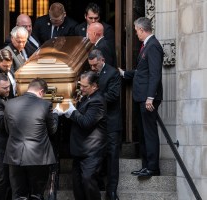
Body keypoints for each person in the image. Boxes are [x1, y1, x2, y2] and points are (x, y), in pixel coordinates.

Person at [118, 17, 163, 177]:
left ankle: (153, 167)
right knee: (143, 133)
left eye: (136, 31)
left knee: (149, 133)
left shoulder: (153, 46)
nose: (136, 34)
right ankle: (146, 166)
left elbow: (155, 74)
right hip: (141, 97)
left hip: (147, 99)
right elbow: (141, 71)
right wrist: (124, 73)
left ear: (142, 30)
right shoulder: (146, 46)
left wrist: (150, 97)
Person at [3, 78, 59, 200]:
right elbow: (52, 130)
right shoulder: (45, 105)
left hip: (15, 155)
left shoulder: (9, 104)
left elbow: (8, 130)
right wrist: (55, 115)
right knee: (36, 195)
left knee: (18, 195)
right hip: (38, 157)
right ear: (41, 92)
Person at [63, 71, 108, 200]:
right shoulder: (85, 97)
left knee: (88, 181)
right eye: (80, 85)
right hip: (80, 150)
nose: (81, 88)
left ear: (94, 86)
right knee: (77, 185)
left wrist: (72, 112)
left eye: (84, 86)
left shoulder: (98, 101)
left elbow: (87, 122)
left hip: (92, 151)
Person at [88, 49, 121, 200]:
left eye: (95, 65)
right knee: (97, 154)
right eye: (91, 66)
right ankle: (99, 182)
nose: (93, 68)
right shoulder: (90, 74)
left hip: (111, 121)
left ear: (102, 60)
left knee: (112, 156)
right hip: (96, 123)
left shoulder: (113, 73)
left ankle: (112, 190)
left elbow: (113, 95)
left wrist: (94, 99)